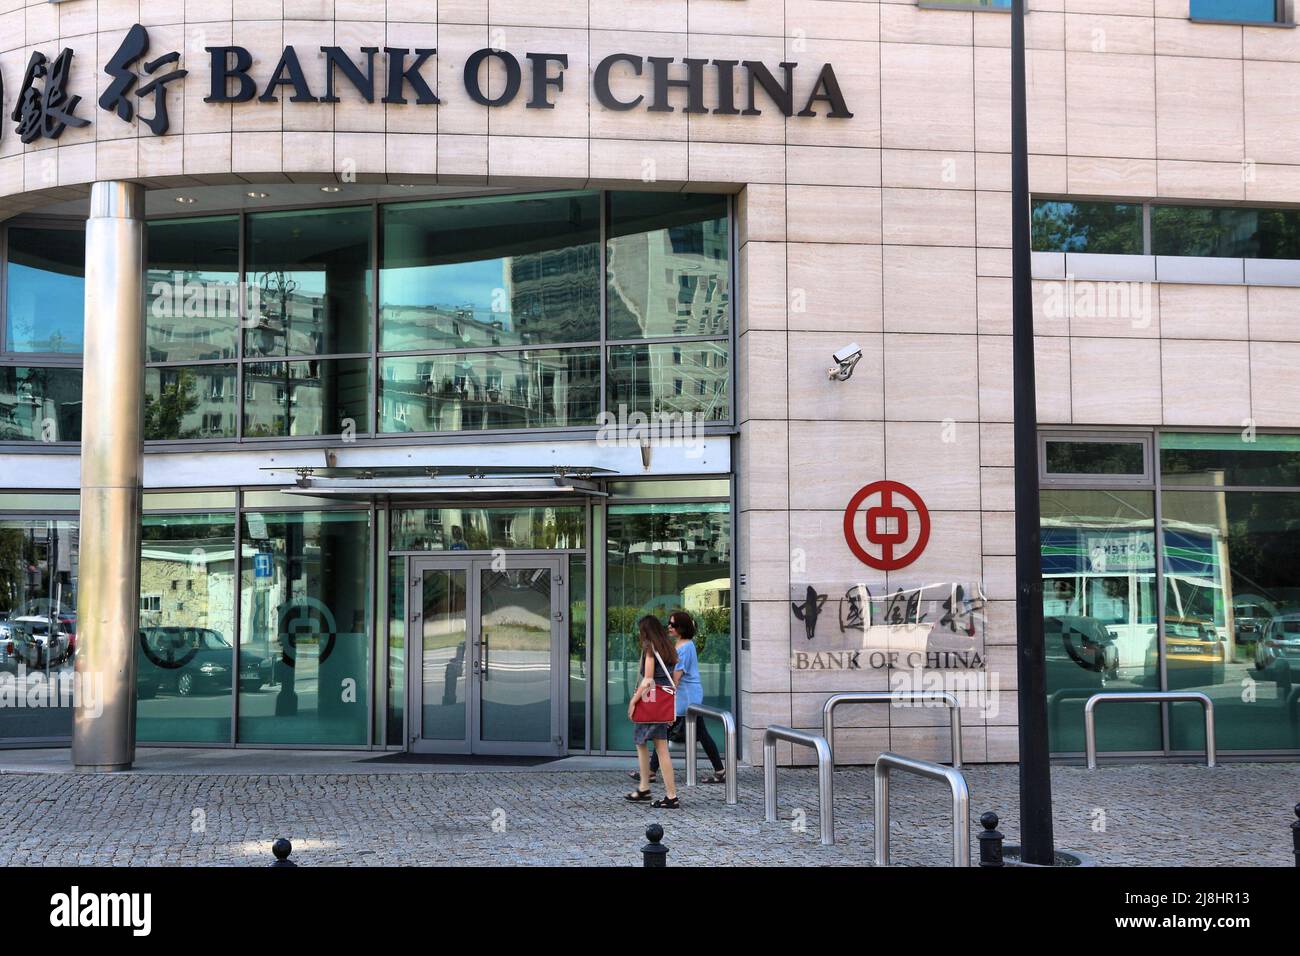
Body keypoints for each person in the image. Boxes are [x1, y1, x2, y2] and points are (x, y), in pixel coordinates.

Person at [629, 610, 727, 786]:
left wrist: (659, 693)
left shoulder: (686, 647)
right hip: (683, 694)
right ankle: (720, 770)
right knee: (695, 733)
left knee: (666, 731)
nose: (669, 626)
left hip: (686, 696)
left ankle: (651, 772)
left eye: (673, 624)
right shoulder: (679, 645)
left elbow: (675, 678)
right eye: (669, 623)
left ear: (682, 627)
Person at [624, 615, 680, 809]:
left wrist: (633, 701)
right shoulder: (669, 648)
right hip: (661, 705)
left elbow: (648, 681)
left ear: (645, 632)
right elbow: (670, 680)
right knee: (661, 749)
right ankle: (659, 791)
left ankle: (652, 790)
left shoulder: (650, 649)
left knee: (641, 743)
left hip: (650, 704)